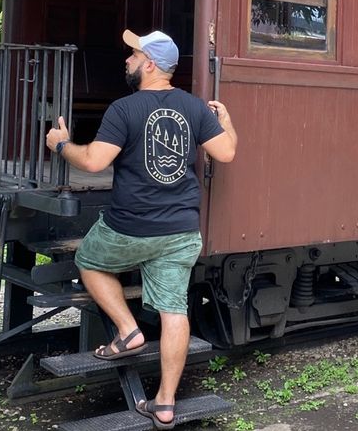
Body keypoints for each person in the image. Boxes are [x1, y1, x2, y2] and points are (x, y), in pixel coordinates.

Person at [45, 29, 236, 429]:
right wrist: (228, 122)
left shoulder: (124, 109)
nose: (127, 61)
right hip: (182, 230)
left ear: (149, 64)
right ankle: (165, 404)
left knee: (89, 259)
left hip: (130, 228)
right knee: (174, 311)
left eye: (132, 55)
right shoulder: (194, 107)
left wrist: (61, 145)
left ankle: (128, 330)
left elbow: (95, 161)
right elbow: (227, 151)